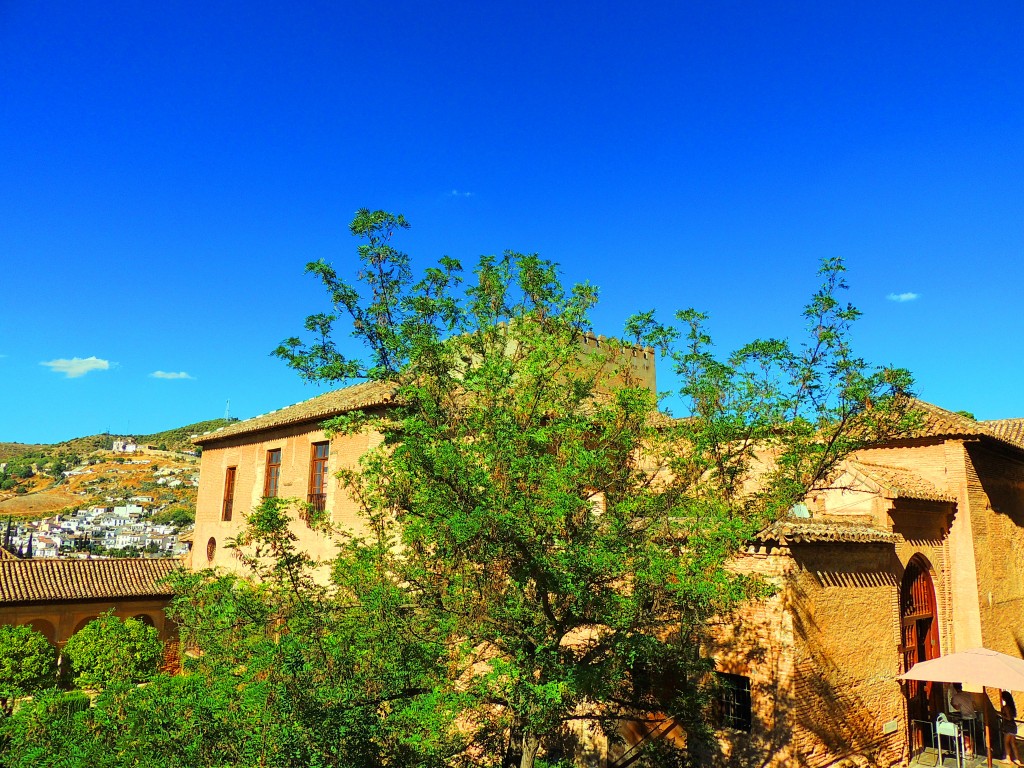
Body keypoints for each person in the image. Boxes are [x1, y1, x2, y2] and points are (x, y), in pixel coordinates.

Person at [951, 683, 977, 755]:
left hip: (966, 717)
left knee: (966, 734)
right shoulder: (968, 694)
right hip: (973, 716)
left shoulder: (956, 697)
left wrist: (951, 703)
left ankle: (969, 749)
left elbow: (957, 708)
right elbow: (974, 705)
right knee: (972, 734)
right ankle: (973, 749)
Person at [1001, 691, 1022, 766]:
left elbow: (1008, 718)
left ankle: (1008, 758)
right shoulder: (1012, 706)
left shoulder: (1006, 707)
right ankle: (1017, 759)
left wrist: (1001, 714)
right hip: (1013, 726)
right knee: (1013, 743)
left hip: (1008, 726)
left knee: (1006, 743)